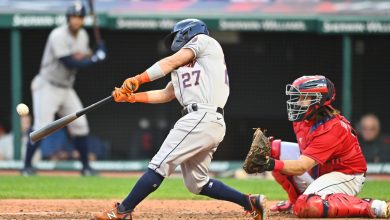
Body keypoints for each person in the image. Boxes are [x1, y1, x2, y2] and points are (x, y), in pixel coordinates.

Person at [94, 18, 266, 220]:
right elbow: (166, 94)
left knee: (159, 164)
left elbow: (170, 62)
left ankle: (123, 210)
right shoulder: (184, 67)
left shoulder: (204, 41)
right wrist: (132, 97)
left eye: (176, 36)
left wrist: (138, 79)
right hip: (206, 121)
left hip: (202, 116)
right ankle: (250, 202)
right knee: (197, 183)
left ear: (187, 32)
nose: (174, 41)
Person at [247, 75, 389, 218]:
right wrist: (271, 158)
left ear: (319, 100)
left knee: (307, 206)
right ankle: (294, 201)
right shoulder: (303, 119)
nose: (298, 102)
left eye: (304, 97)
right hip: (321, 167)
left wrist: (269, 164)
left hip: (346, 174)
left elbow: (302, 166)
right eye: (298, 97)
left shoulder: (331, 128)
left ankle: (368, 206)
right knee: (273, 149)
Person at [21, 1, 106, 176]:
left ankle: (85, 168)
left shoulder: (83, 35)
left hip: (66, 88)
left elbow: (83, 55)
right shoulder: (57, 35)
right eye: (74, 17)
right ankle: (26, 167)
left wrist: (96, 51)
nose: (76, 21)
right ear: (68, 18)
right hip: (47, 85)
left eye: (80, 17)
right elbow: (70, 62)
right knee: (41, 127)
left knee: (81, 125)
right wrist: (96, 58)